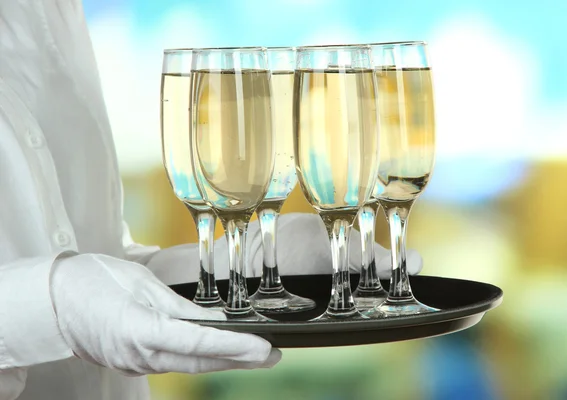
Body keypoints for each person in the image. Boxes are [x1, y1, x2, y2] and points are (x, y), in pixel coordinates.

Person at [0, 2, 423, 399]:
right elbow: (73, 291)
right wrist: (50, 304)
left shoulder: (54, 12)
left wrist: (234, 264)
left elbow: (94, 254)